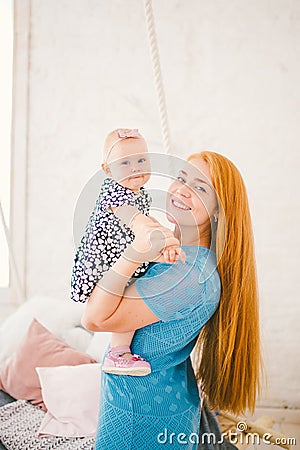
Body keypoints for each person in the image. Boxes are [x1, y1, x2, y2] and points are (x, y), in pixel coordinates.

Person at [81, 151, 261, 450]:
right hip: (157, 399)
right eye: (181, 178)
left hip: (142, 414)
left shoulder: (188, 277)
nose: (182, 190)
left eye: (200, 188)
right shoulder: (180, 256)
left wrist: (135, 252)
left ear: (218, 210)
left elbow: (94, 318)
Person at [71, 128, 183, 376]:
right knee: (125, 297)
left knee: (130, 291)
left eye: (142, 160)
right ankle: (118, 353)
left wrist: (160, 248)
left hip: (118, 255)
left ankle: (118, 350)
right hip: (103, 263)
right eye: (125, 162)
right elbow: (136, 222)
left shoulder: (138, 193)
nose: (135, 167)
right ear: (108, 170)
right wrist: (160, 234)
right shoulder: (114, 192)